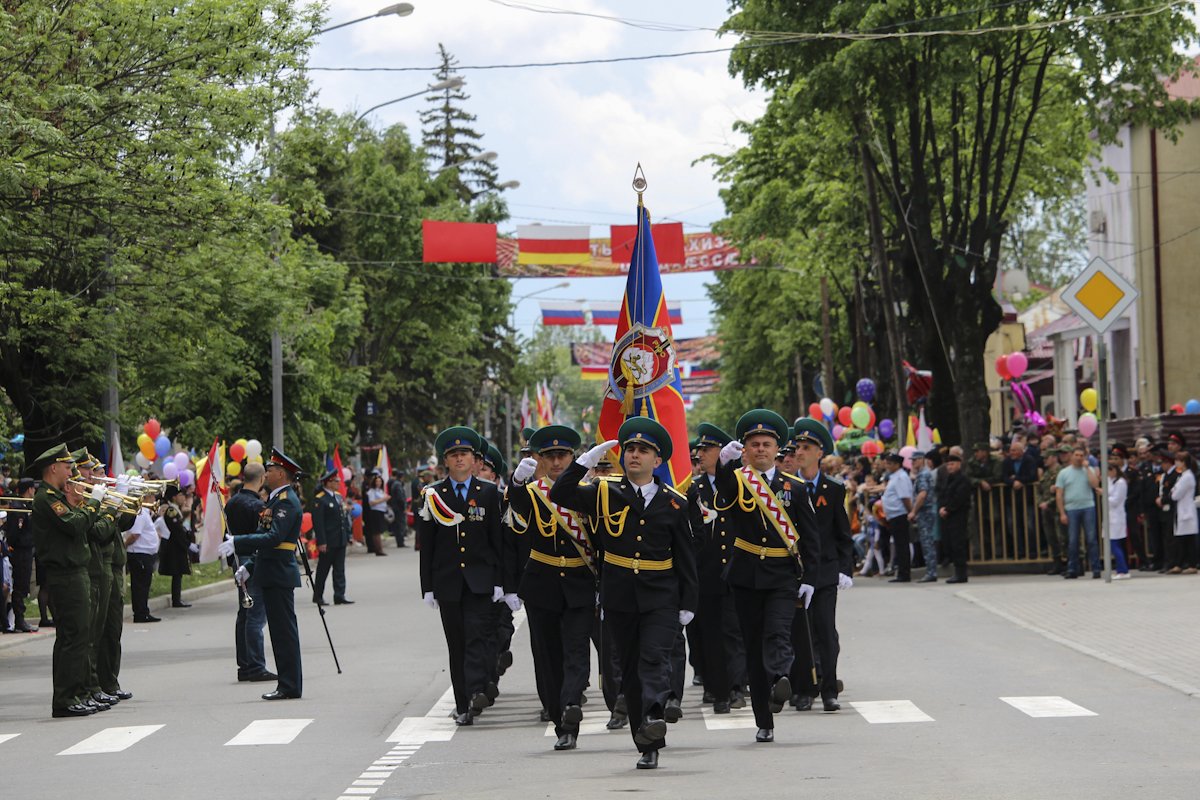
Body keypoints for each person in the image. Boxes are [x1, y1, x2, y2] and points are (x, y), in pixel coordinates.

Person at [549, 417, 698, 771]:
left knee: (653, 660)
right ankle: (644, 739)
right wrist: (583, 462)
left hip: (661, 595)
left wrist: (689, 603)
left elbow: (685, 558)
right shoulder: (603, 492)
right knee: (629, 671)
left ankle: (653, 720)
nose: (634, 454)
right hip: (619, 595)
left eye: (643, 450)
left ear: (657, 461)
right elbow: (559, 493)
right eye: (630, 448)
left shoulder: (674, 503)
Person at [714, 409, 820, 745]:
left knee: (778, 632)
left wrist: (810, 578)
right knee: (753, 648)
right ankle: (764, 719)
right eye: (754, 444)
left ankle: (781, 677)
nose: (760, 449)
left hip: (781, 575)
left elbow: (811, 538)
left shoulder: (796, 489)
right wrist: (723, 465)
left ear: (778, 450)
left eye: (767, 444)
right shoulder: (738, 479)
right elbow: (724, 498)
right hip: (746, 574)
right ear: (745, 449)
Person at [507, 424, 595, 752]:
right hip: (542, 583)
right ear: (539, 460)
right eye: (550, 456)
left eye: (563, 456)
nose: (557, 462)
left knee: (576, 651)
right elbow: (516, 506)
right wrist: (516, 481)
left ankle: (571, 706)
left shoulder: (588, 491)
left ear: (573, 458)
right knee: (549, 658)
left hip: (580, 582)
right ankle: (561, 722)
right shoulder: (531, 492)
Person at [418, 426, 504, 726]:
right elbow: (426, 545)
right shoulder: (434, 495)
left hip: (480, 580)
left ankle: (478, 689)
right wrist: (427, 587)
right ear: (446, 460)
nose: (459, 459)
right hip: (448, 583)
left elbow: (497, 541)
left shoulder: (489, 493)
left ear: (474, 459)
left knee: (477, 637)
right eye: (453, 455)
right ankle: (463, 703)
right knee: (457, 643)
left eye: (464, 454)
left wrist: (500, 582)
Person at [220, 447, 305, 700]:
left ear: (281, 473)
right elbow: (267, 543)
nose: (266, 473)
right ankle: (286, 684)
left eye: (270, 470)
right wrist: (249, 567)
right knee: (279, 633)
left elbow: (274, 538)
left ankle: (289, 685)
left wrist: (238, 542)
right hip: (271, 571)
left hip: (279, 574)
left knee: (284, 633)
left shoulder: (286, 501)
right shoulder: (275, 500)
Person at [28, 444, 106, 718]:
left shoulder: (56, 497)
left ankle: (78, 693)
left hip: (75, 572)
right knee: (73, 637)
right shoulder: (47, 499)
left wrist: (83, 504)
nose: (71, 471)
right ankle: (65, 697)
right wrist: (94, 502)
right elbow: (74, 525)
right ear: (53, 468)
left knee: (80, 636)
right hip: (65, 575)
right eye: (67, 466)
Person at [788, 418, 853, 713]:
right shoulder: (786, 488)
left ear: (819, 453)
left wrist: (845, 568)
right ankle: (804, 688)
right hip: (797, 572)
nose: (799, 452)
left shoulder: (834, 489)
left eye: (806, 447)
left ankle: (829, 689)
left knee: (825, 631)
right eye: (797, 447)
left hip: (825, 572)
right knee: (800, 633)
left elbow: (843, 534)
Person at [687, 422, 747, 715]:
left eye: (707, 449)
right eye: (698, 449)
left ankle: (737, 687)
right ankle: (717, 688)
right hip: (705, 573)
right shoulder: (693, 488)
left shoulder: (739, 484)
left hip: (736, 570)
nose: (700, 454)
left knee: (734, 632)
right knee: (709, 634)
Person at [225, 463, 274, 683]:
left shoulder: (232, 502)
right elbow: (268, 534)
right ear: (262, 478)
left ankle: (244, 665)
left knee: (244, 613)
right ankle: (255, 665)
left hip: (238, 560)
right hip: (253, 561)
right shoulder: (260, 506)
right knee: (255, 615)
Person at [1055, 446, 1101, 579]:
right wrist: (1062, 513)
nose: (1079, 458)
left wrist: (1087, 468)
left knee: (1091, 539)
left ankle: (1096, 568)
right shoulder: (1064, 473)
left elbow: (1095, 484)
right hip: (1071, 508)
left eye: (1082, 455)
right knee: (1073, 540)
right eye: (1076, 455)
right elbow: (1059, 494)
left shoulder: (1089, 469)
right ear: (1071, 456)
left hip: (1088, 506)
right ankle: (1072, 568)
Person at [311, 469, 354, 606]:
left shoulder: (338, 496)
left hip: (340, 538)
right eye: (336, 481)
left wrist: (348, 535)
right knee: (323, 569)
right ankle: (318, 595)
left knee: (339, 568)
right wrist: (321, 541)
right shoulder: (320, 499)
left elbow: (343, 518)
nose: (338, 483)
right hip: (328, 541)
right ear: (328, 482)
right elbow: (318, 523)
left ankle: (339, 595)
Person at [3, 478, 37, 632]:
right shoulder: (18, 509)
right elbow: (15, 533)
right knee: (19, 586)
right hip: (20, 552)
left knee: (22, 586)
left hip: (26, 550)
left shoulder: (25, 506)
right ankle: (19, 620)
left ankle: (20, 620)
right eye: (33, 489)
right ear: (29, 490)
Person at [155, 485, 194, 608]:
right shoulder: (171, 511)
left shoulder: (176, 509)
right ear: (174, 497)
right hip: (174, 546)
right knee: (177, 572)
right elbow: (177, 530)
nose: (183, 498)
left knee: (178, 574)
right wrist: (187, 544)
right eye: (181, 495)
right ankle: (176, 600)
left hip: (177, 544)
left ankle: (177, 598)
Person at [937, 453, 973, 583]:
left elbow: (959, 497)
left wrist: (948, 508)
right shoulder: (948, 479)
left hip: (958, 514)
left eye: (952, 464)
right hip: (948, 515)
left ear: (959, 464)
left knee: (958, 544)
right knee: (951, 543)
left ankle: (961, 573)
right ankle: (957, 572)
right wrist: (942, 507)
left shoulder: (963, 479)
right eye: (948, 464)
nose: (949, 467)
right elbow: (943, 494)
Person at [124, 501, 161, 623]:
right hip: (139, 553)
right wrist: (124, 546)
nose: (153, 499)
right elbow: (135, 535)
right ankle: (140, 613)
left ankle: (143, 611)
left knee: (143, 585)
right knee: (140, 585)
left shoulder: (144, 512)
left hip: (144, 554)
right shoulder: (140, 513)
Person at [880, 453, 914, 582]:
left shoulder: (901, 477)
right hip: (894, 515)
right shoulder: (894, 476)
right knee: (899, 545)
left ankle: (904, 573)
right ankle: (901, 572)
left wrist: (911, 512)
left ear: (897, 464)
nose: (887, 465)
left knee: (902, 545)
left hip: (900, 514)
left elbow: (905, 497)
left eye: (889, 463)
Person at [909, 451, 939, 582]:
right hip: (928, 511)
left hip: (925, 512)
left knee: (927, 543)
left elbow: (922, 495)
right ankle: (931, 571)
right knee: (928, 542)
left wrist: (913, 511)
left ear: (922, 460)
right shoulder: (925, 473)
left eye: (915, 460)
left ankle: (931, 572)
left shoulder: (922, 475)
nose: (913, 462)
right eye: (912, 460)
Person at [1168, 451, 1198, 573]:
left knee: (1188, 539)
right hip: (1182, 510)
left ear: (1184, 463)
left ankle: (1191, 565)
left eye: (1178, 461)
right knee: (1182, 539)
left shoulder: (1188, 476)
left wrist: (1173, 492)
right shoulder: (1183, 476)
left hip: (1186, 511)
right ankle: (1180, 563)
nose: (1176, 463)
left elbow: (1175, 494)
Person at [1106, 464, 1130, 579]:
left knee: (1115, 544)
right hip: (1110, 516)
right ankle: (1122, 569)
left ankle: (1122, 570)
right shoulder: (1110, 481)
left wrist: (1104, 495)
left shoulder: (1121, 483)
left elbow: (1116, 501)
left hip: (1117, 516)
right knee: (1113, 544)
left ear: (1114, 470)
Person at [364, 473, 390, 557]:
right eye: (377, 481)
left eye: (380, 481)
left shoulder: (380, 490)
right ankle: (378, 549)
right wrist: (383, 499)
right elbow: (372, 502)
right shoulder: (372, 491)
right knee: (376, 532)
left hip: (381, 511)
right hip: (375, 512)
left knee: (379, 531)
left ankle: (379, 548)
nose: (378, 483)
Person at [389, 468, 409, 548]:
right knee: (400, 525)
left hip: (395, 507)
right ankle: (401, 542)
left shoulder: (395, 483)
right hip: (399, 508)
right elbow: (400, 498)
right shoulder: (398, 485)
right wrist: (404, 507)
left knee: (398, 525)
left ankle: (399, 541)